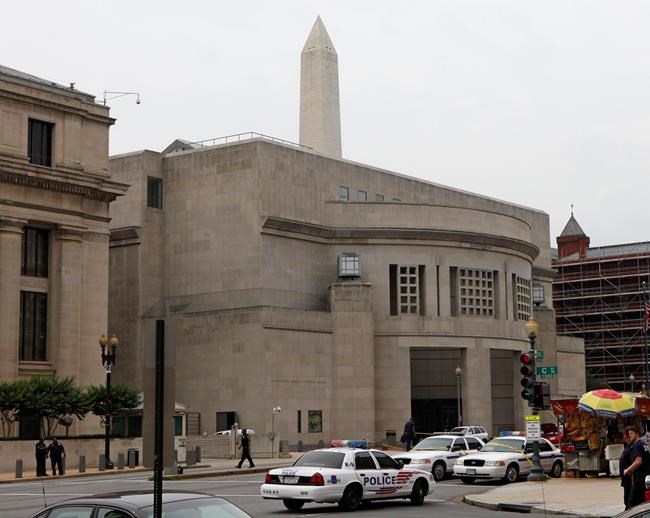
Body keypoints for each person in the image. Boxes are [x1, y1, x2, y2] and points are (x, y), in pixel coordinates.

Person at [623, 425, 650, 508]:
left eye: (631, 433)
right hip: (645, 477)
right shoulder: (643, 444)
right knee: (641, 501)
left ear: (637, 433)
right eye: (629, 434)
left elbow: (638, 461)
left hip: (640, 478)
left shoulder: (637, 445)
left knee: (632, 502)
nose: (630, 436)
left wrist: (628, 470)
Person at [620, 429, 635, 509]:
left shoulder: (632, 447)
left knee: (629, 500)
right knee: (627, 498)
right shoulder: (628, 446)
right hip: (626, 479)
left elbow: (635, 462)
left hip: (630, 479)